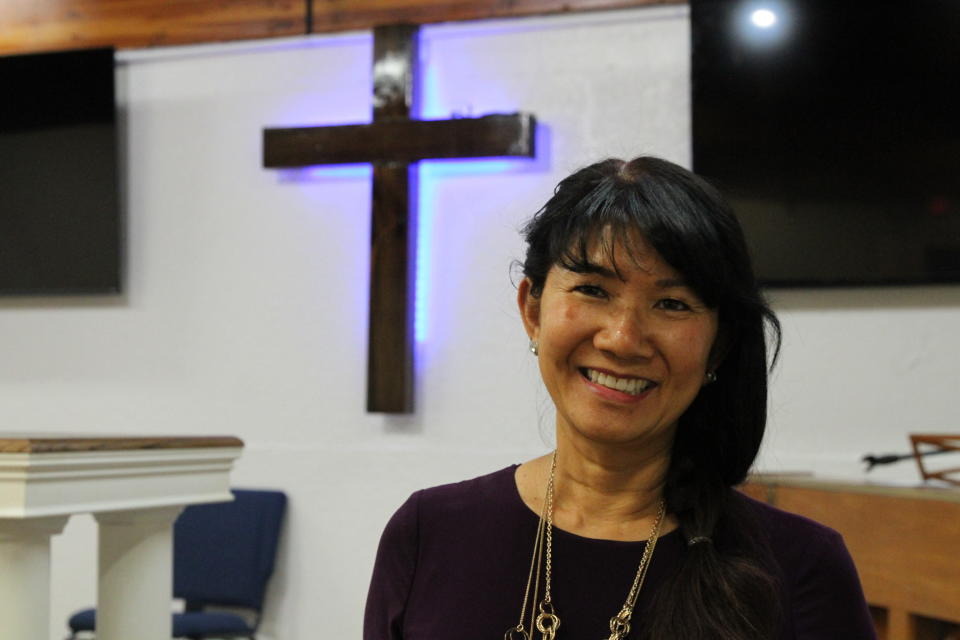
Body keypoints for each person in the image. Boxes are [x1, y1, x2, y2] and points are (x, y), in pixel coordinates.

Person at [363, 157, 877, 640]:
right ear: (532, 311)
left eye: (671, 303)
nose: (622, 338)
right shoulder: (429, 534)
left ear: (718, 346)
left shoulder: (801, 567)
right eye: (593, 290)